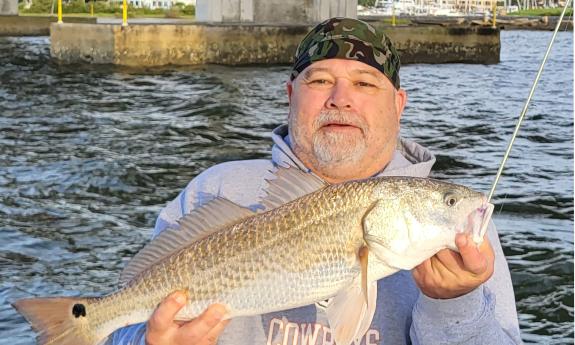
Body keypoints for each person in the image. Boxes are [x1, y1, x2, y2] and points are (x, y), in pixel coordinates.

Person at [110, 17, 522, 345]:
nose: (340, 97)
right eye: (320, 80)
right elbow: (118, 333)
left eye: (364, 83)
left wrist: (455, 304)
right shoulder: (214, 191)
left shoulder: (460, 234)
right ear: (290, 95)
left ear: (398, 105)